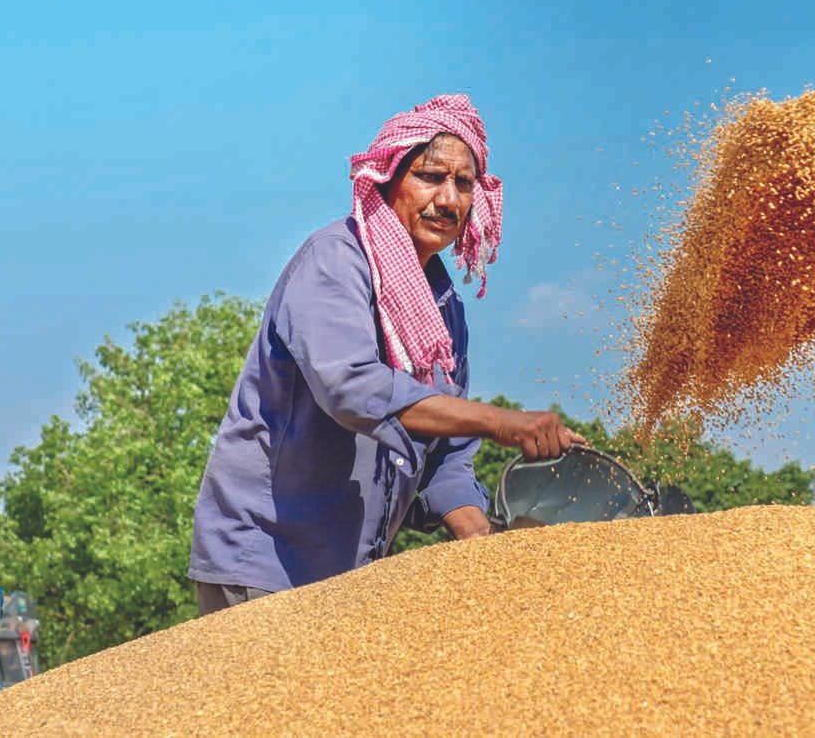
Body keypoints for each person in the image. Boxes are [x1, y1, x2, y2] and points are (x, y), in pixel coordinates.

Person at [189, 95, 583, 616]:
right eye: (430, 176)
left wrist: (488, 549)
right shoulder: (334, 262)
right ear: (387, 179)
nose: (448, 199)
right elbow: (353, 389)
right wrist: (502, 422)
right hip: (268, 559)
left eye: (463, 184)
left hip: (352, 578)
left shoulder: (445, 311)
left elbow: (445, 459)